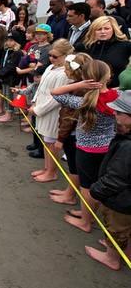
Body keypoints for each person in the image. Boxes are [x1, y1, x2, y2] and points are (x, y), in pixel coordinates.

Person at [52, 59, 117, 233]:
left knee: (87, 187)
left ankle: (86, 222)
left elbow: (56, 93)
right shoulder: (115, 98)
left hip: (87, 149)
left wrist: (80, 84)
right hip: (108, 147)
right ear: (108, 76)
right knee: (97, 184)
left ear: (86, 78)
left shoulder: (84, 102)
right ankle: (87, 214)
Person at [85, 90, 131, 270]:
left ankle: (111, 257)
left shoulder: (128, 147)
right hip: (126, 198)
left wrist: (97, 190)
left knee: (116, 227)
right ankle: (125, 251)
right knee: (126, 227)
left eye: (119, 113)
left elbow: (117, 178)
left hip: (121, 199)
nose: (114, 115)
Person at [48, 53, 90, 206]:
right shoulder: (80, 87)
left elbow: (70, 118)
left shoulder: (79, 90)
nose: (65, 71)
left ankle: (70, 195)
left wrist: (60, 138)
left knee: (74, 166)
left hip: (72, 134)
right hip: (73, 132)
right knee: (73, 165)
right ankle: (69, 191)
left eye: (67, 69)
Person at [29, 39, 74, 182]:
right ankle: (46, 168)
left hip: (53, 113)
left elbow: (57, 98)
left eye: (55, 56)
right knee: (45, 140)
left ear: (66, 56)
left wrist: (39, 110)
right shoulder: (50, 67)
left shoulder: (65, 74)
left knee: (51, 143)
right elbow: (41, 86)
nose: (51, 58)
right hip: (41, 108)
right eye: (50, 55)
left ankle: (52, 172)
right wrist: (34, 101)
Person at [0, 31, 24, 123]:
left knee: (9, 96)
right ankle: (7, 112)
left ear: (16, 42)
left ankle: (9, 114)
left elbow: (11, 67)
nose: (8, 42)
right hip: (4, 77)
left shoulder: (17, 53)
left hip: (11, 78)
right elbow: (3, 63)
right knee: (4, 94)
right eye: (7, 40)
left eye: (11, 40)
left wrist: (0, 74)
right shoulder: (7, 50)